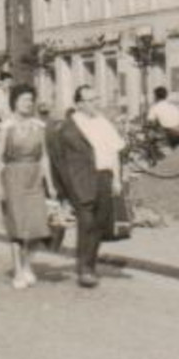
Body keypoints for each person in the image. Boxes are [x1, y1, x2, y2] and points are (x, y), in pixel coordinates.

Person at [48, 85, 124, 288]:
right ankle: (85, 269)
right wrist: (61, 187)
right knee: (86, 222)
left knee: (99, 224)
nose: (95, 104)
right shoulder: (68, 127)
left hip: (104, 178)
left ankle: (89, 263)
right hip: (81, 181)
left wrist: (116, 179)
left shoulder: (104, 123)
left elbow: (115, 152)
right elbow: (58, 158)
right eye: (90, 100)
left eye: (96, 99)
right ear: (79, 104)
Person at [0, 84, 54, 289]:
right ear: (14, 102)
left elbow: (44, 156)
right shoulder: (6, 127)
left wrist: (50, 184)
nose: (28, 103)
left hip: (34, 176)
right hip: (13, 176)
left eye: (30, 100)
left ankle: (27, 264)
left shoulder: (39, 126)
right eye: (23, 100)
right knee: (17, 225)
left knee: (37, 225)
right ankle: (18, 270)